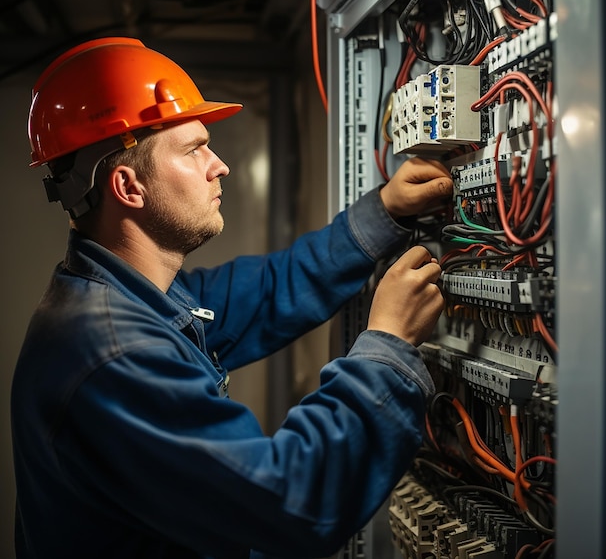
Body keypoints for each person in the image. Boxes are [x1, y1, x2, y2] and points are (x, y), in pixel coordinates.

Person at [11, 37, 453, 559]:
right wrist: (388, 345)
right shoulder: (111, 352)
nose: (218, 165)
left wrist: (385, 212)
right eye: (194, 148)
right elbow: (290, 503)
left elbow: (269, 291)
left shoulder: (135, 299)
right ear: (129, 187)